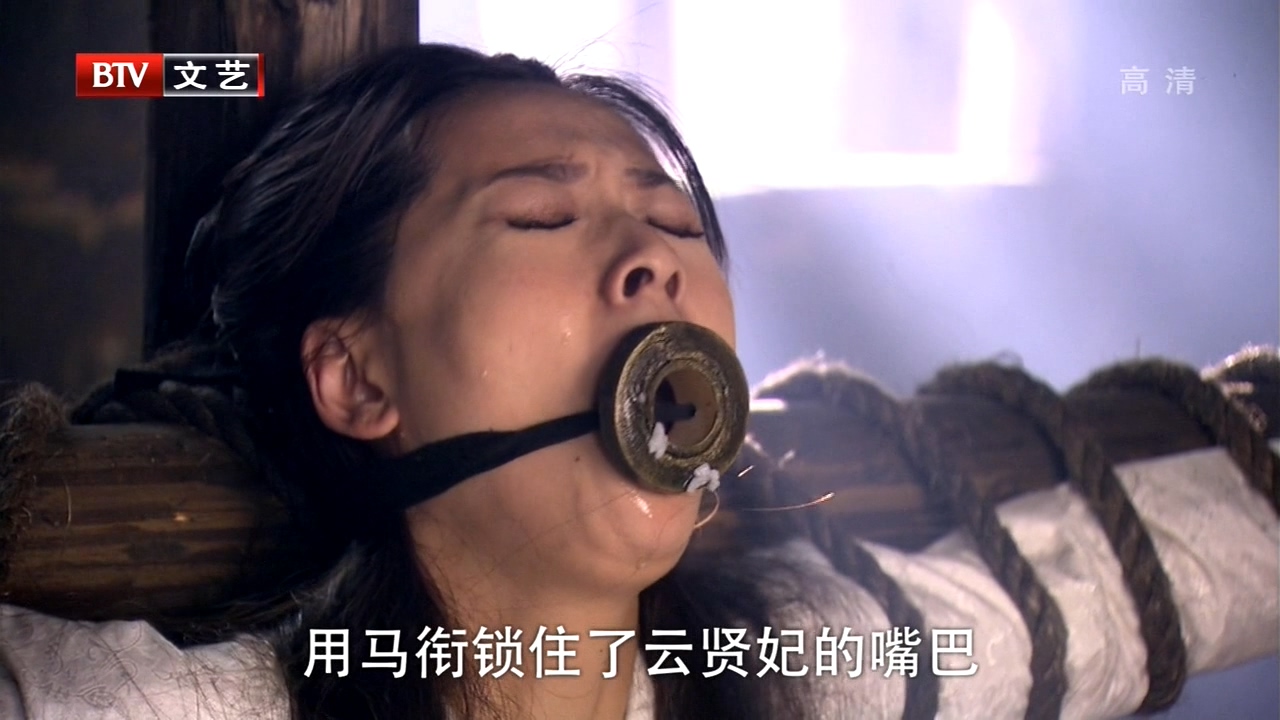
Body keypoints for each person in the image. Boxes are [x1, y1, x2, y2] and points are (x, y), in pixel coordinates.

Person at [0, 43, 1275, 720]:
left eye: (671, 223)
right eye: (540, 219)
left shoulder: (811, 668)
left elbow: (1146, 575)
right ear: (357, 376)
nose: (654, 263)